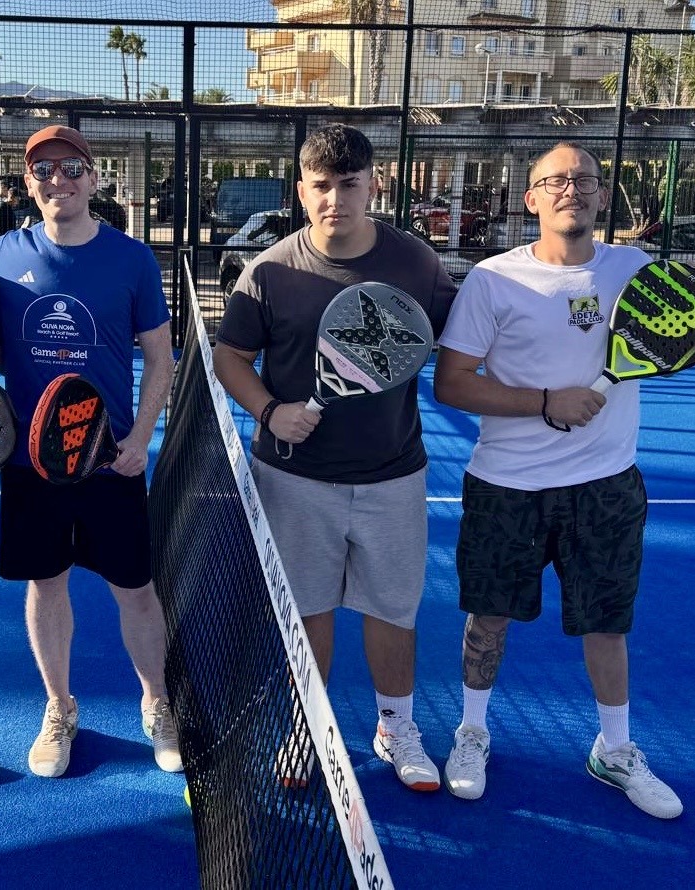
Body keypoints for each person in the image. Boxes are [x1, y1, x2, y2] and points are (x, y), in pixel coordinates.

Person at [433, 141, 695, 819]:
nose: (571, 189)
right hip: (506, 484)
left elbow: (680, 318)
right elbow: (451, 383)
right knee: (490, 615)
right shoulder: (492, 280)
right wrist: (546, 402)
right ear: (531, 198)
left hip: (605, 486)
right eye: (555, 180)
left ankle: (614, 750)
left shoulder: (635, 268)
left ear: (600, 195)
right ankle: (472, 732)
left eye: (584, 180)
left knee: (607, 623)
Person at [213, 123, 456, 793]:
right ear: (301, 190)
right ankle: (307, 728)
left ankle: (395, 728)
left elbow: (470, 328)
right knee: (307, 612)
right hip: (292, 478)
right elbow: (230, 357)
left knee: (392, 612)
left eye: (349, 184)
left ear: (372, 185)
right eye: (320, 186)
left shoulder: (415, 263)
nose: (334, 199)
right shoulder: (270, 271)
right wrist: (269, 410)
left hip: (392, 476)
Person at [0, 124, 181, 778]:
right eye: (43, 170)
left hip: (110, 459)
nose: (57, 180)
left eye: (70, 168)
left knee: (136, 589)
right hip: (32, 461)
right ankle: (59, 707)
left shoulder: (132, 260)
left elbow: (160, 357)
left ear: (93, 178)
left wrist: (140, 437)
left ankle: (157, 702)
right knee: (46, 583)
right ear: (27, 183)